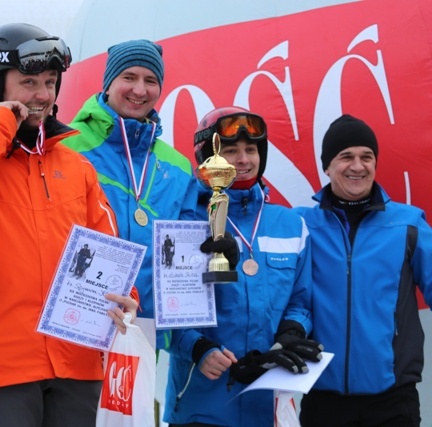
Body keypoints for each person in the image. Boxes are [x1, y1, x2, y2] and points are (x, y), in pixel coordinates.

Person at [0, 23, 138, 427]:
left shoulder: (77, 166)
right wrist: (0, 125)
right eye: (29, 82)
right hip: (3, 364)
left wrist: (127, 294)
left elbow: (109, 248)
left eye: (50, 83)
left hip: (78, 359)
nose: (43, 95)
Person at [164, 106, 322, 426]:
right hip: (202, 402)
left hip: (269, 404)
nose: (243, 159)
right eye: (231, 150)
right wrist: (196, 348)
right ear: (208, 159)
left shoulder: (290, 224)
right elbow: (167, 302)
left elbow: (301, 300)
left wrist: (291, 334)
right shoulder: (185, 220)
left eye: (251, 149)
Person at [295, 114, 432, 427]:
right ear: (326, 166)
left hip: (393, 399)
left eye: (366, 157)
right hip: (323, 399)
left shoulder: (408, 224)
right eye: (346, 157)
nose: (358, 166)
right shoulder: (302, 225)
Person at [63, 39, 198, 349]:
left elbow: (183, 257)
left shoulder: (178, 166)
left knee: (136, 398)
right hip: (77, 321)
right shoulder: (67, 145)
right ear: (109, 83)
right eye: (129, 77)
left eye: (150, 80)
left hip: (144, 328)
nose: (140, 90)